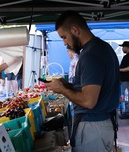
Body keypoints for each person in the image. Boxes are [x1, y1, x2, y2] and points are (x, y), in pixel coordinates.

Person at [45, 10, 119, 152]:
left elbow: (88, 101)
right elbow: (91, 88)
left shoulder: (91, 54)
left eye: (64, 37)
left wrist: (63, 90)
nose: (65, 43)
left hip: (93, 128)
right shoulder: (101, 47)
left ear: (74, 30)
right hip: (100, 125)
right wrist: (67, 85)